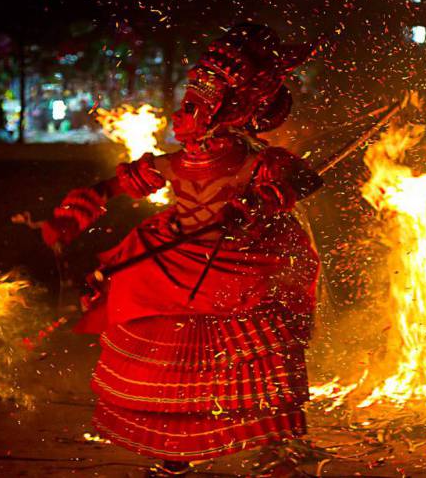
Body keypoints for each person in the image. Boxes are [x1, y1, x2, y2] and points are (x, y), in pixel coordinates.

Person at [40, 24, 321, 475]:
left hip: (240, 270)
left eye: (190, 106)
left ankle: (277, 446)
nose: (179, 115)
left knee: (255, 357)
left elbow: (304, 179)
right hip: (177, 269)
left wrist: (265, 199)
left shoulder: (257, 161)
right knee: (170, 360)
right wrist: (82, 208)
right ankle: (175, 451)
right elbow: (119, 185)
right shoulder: (179, 161)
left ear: (224, 110)